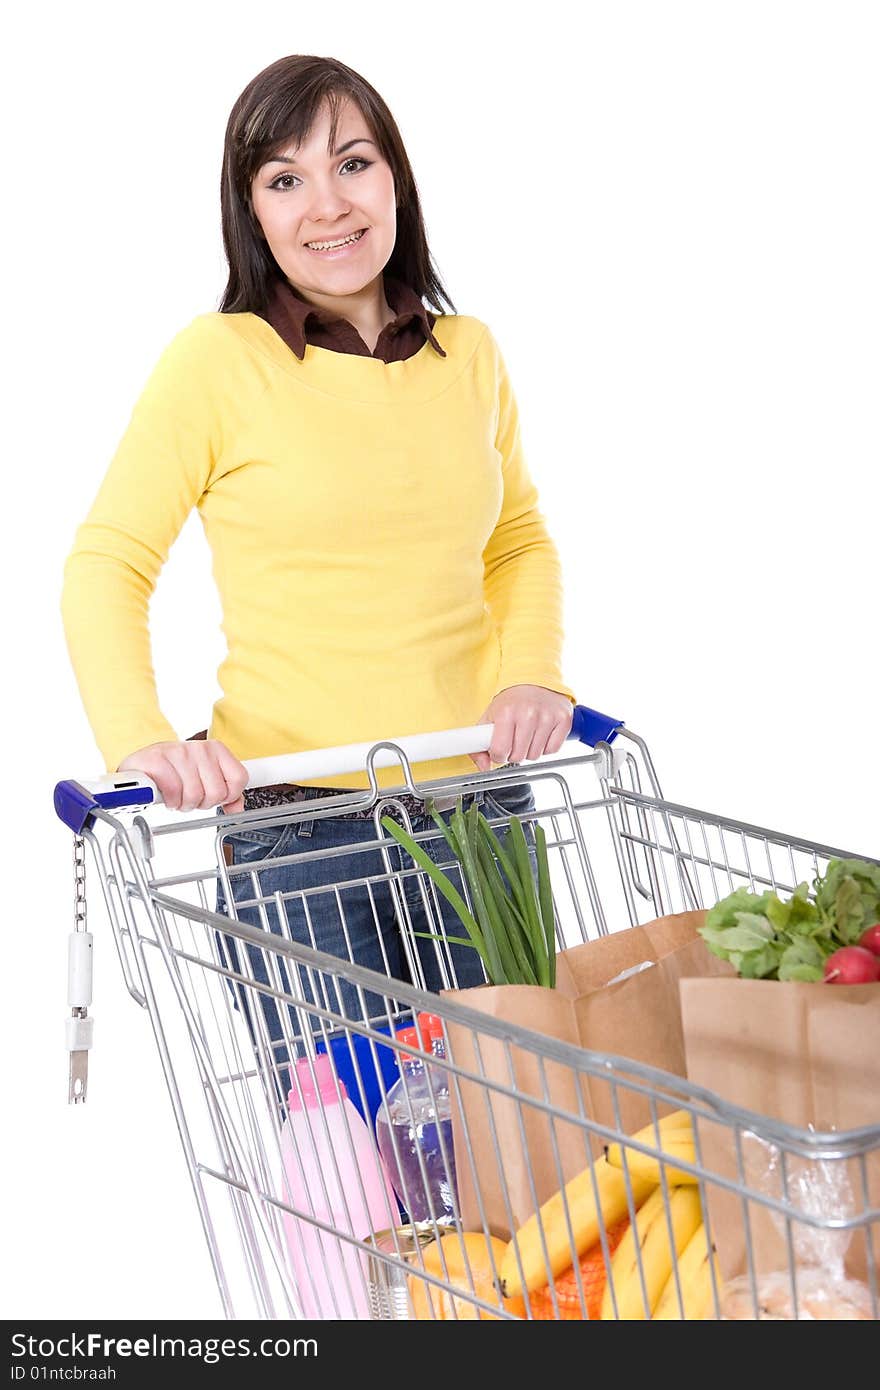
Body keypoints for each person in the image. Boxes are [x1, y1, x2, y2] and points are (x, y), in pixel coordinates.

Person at [61, 54, 576, 1103]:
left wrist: (532, 673)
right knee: (351, 1172)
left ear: (396, 181)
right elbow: (107, 562)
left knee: (518, 1145)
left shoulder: (467, 356)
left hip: (479, 807)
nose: (327, 204)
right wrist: (141, 738)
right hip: (297, 833)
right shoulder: (217, 362)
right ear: (249, 209)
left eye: (353, 162)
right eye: (284, 178)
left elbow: (516, 537)